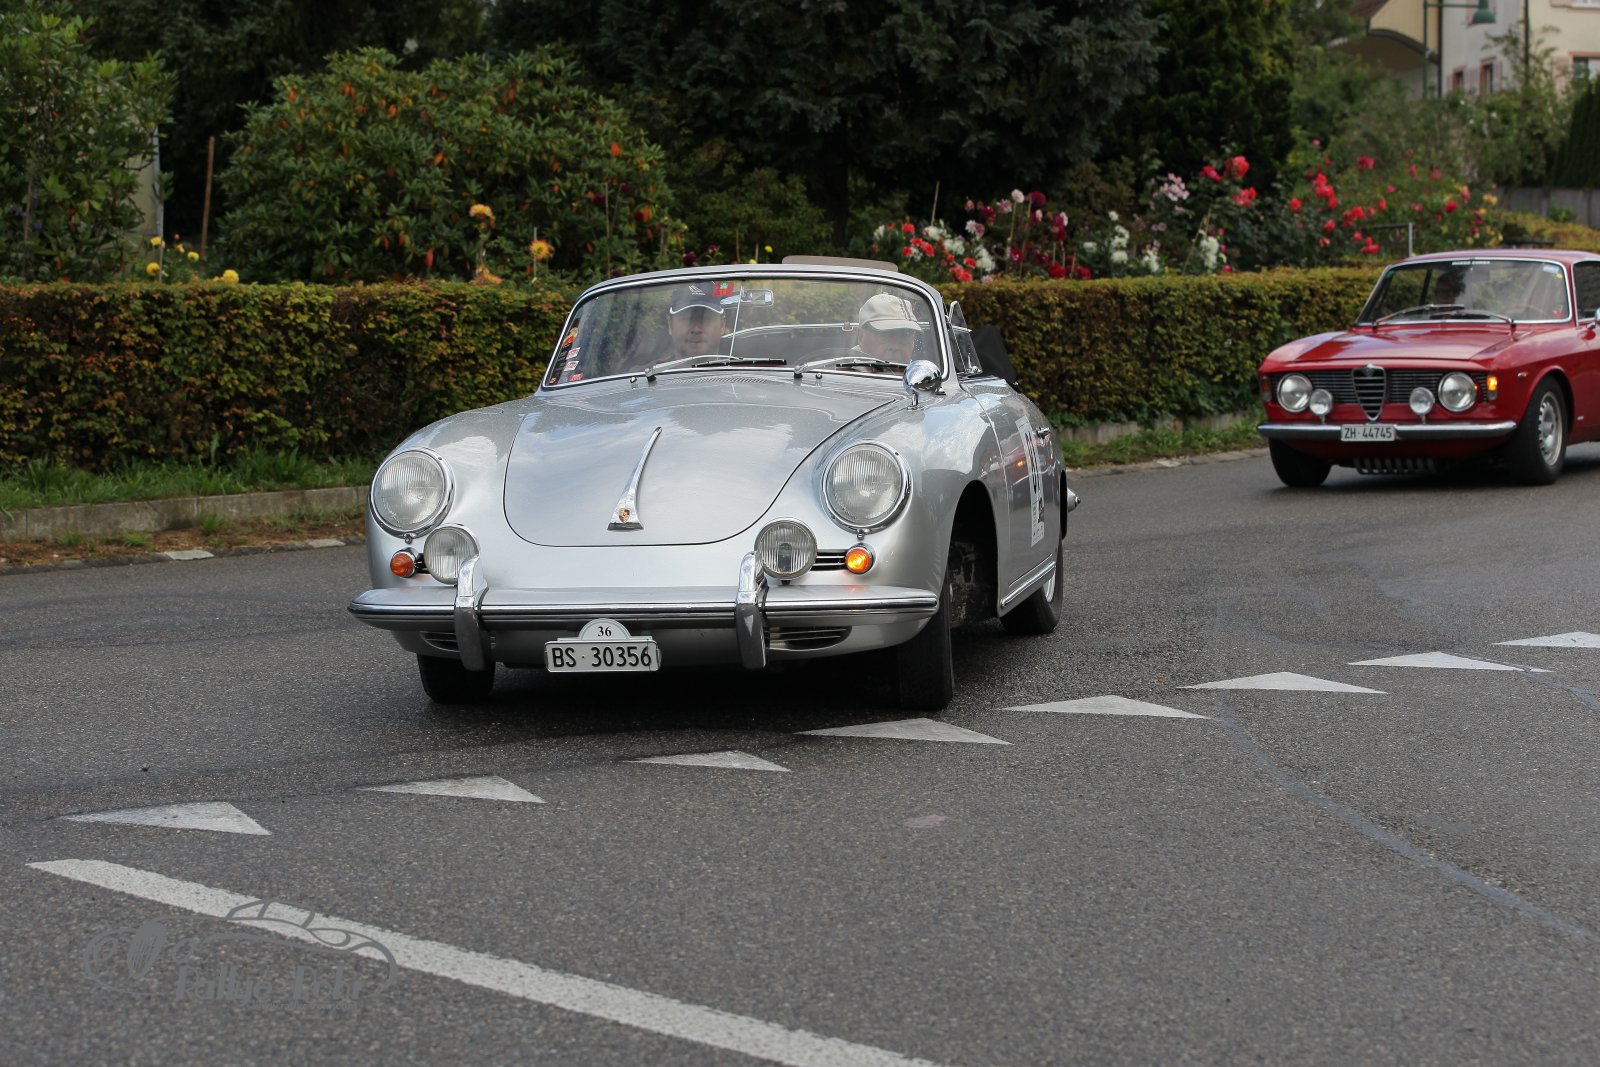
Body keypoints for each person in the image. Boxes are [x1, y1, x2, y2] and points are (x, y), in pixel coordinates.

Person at [630, 282, 727, 368]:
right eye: (686, 318)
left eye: (706, 318)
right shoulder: (639, 377)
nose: (696, 329)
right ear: (670, 324)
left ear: (722, 325)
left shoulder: (736, 375)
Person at [851, 292, 923, 367]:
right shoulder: (846, 371)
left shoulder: (920, 371)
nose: (895, 347)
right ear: (861, 337)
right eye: (884, 336)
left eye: (904, 338)